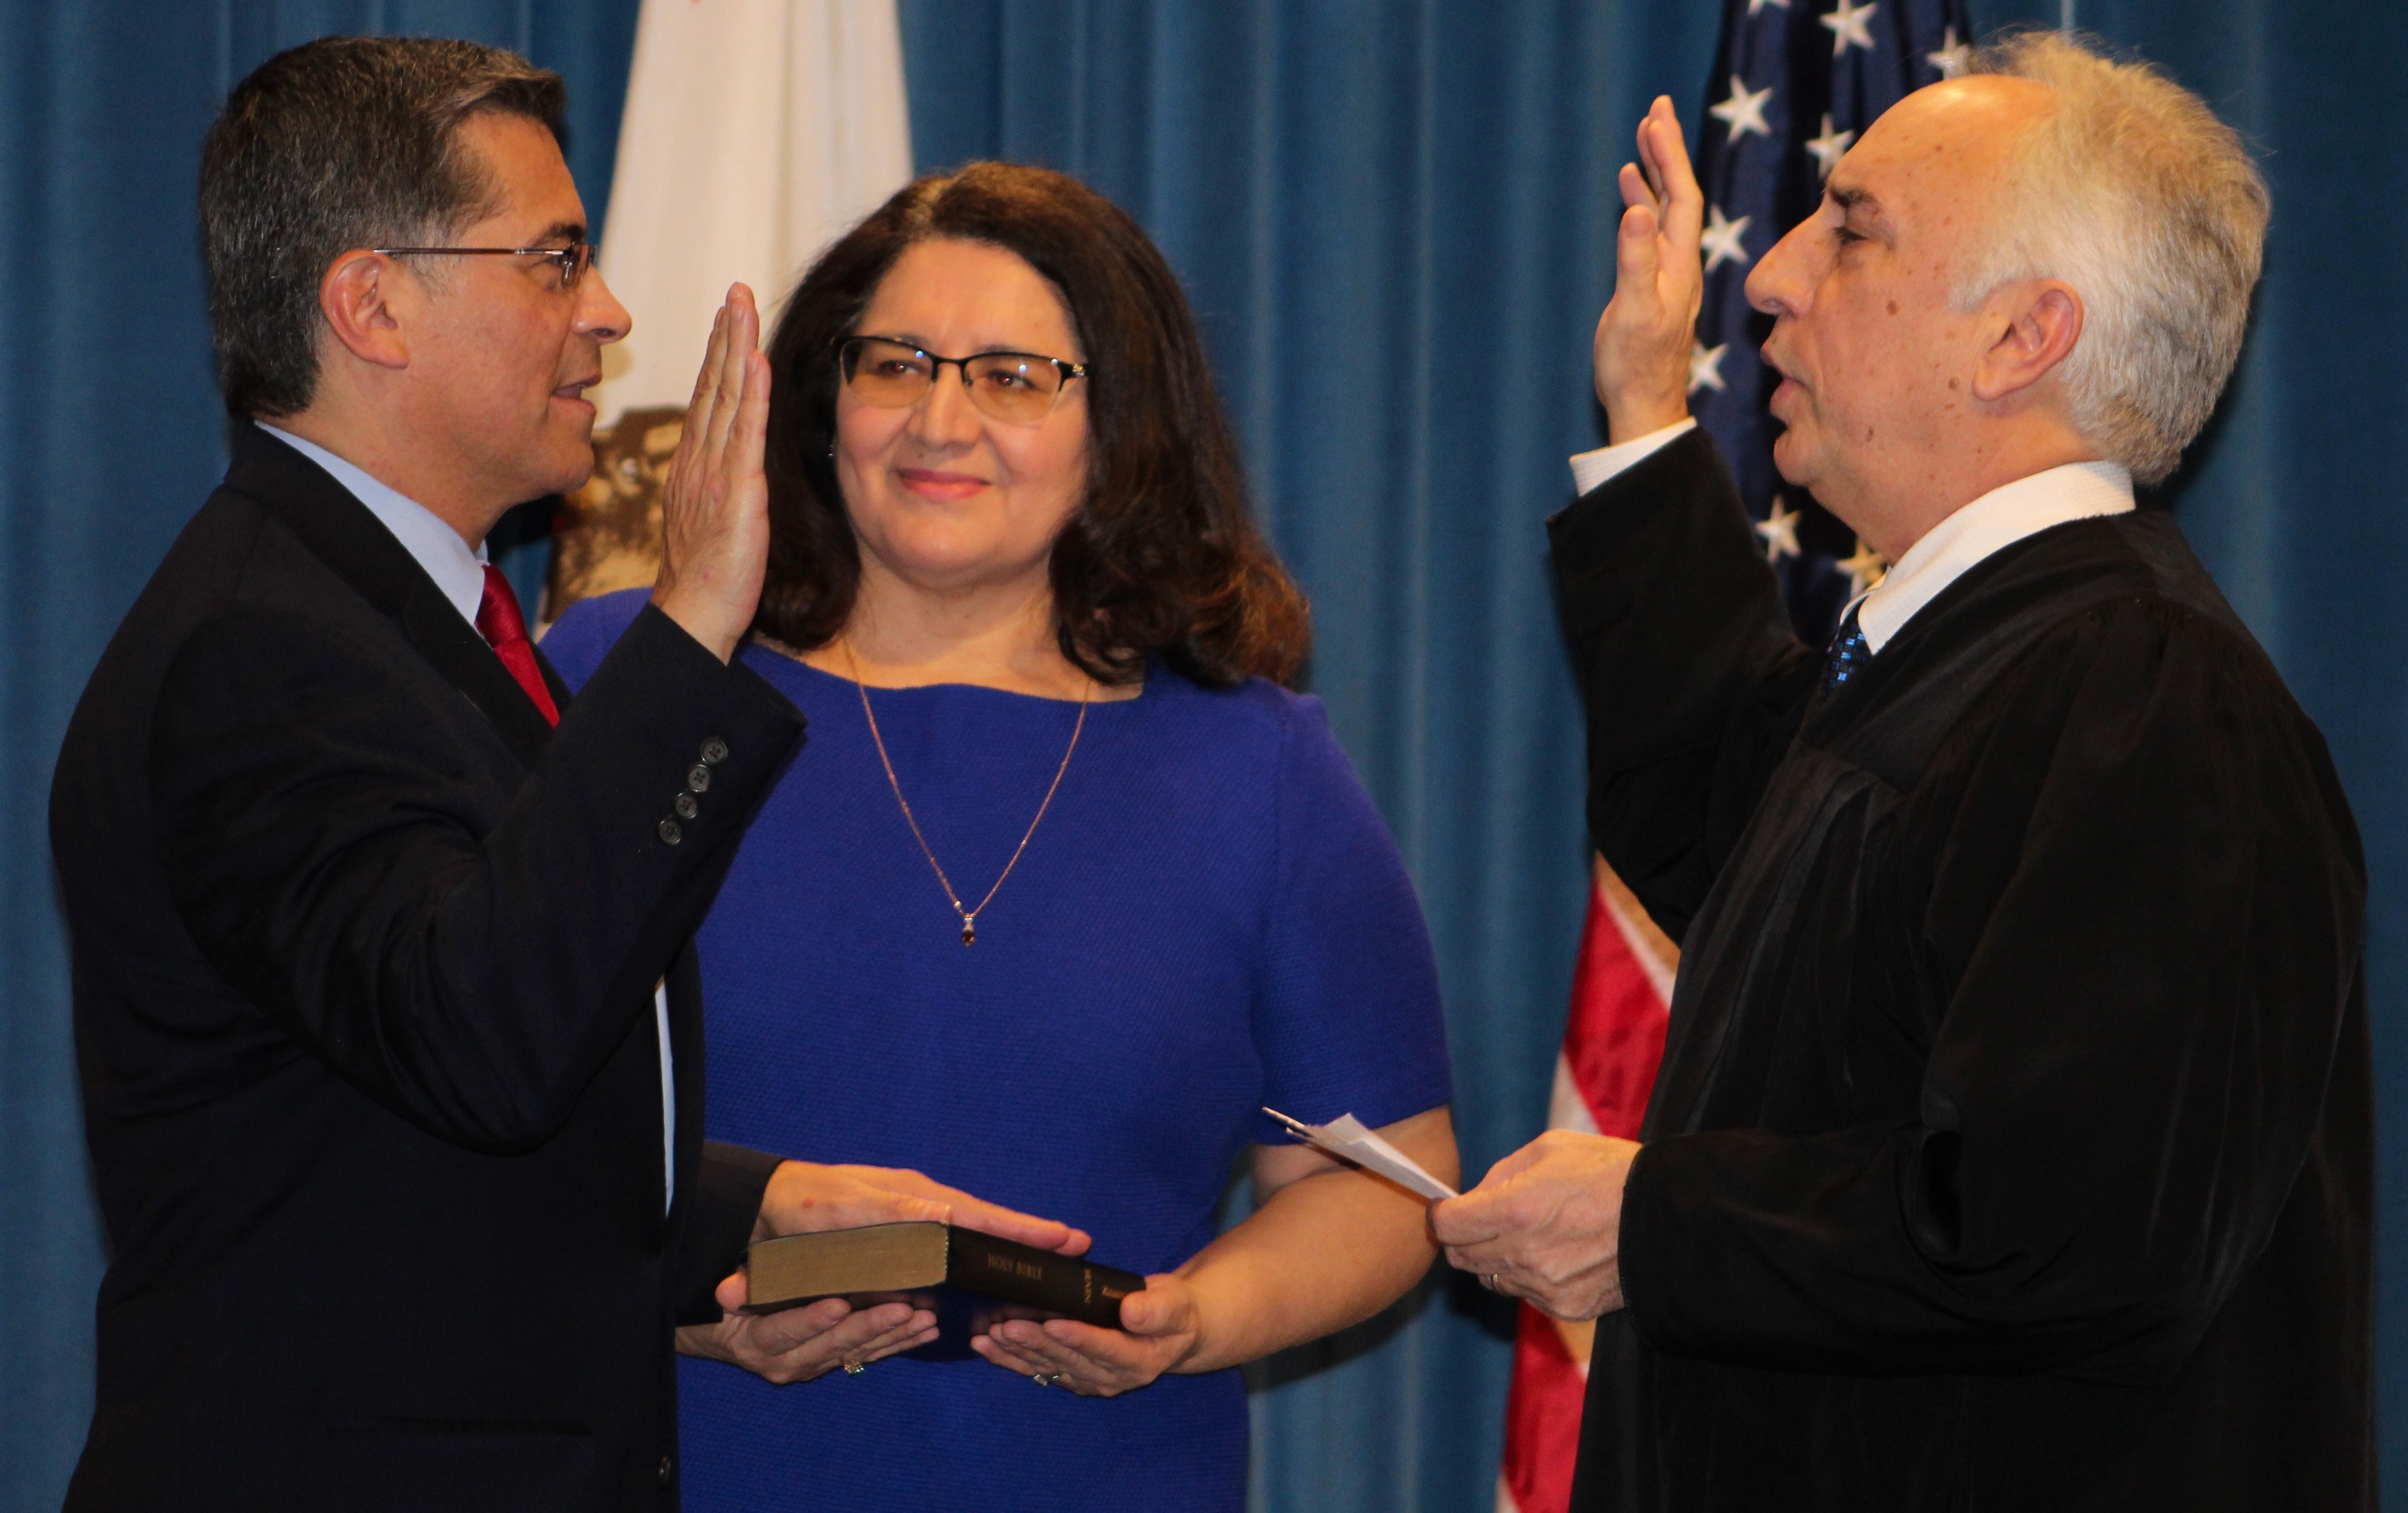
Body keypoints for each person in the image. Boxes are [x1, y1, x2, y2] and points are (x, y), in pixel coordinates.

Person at [49, 38, 1083, 1512]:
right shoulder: (262, 653)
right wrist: (693, 626)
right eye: (552, 259)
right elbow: (489, 1038)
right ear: (372, 305)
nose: (607, 314)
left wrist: (762, 1207)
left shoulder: (403, 619)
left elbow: (408, 1132)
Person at [1432, 33, 2370, 1513]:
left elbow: (2064, 1228)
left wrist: (1649, 1219)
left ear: (2019, 339)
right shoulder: (1987, 652)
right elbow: (1714, 824)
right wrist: (1642, 419)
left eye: (1850, 228)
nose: (1768, 278)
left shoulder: (2138, 692)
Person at [541, 161, 1460, 1512]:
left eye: (1014, 377)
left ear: (1122, 425)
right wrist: (680, 1314)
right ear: (821, 394)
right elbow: (478, 1123)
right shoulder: (638, 678)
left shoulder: (1254, 764)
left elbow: (1386, 1182)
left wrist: (1196, 1315)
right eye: (896, 362)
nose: (940, 419)